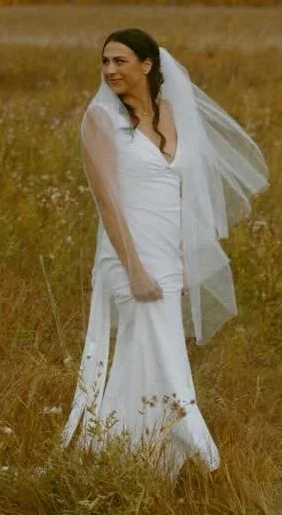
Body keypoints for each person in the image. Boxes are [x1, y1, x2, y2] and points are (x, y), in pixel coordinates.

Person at [62, 28, 266, 474]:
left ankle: (126, 459)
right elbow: (107, 201)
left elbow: (182, 188)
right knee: (166, 359)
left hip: (167, 258)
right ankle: (206, 459)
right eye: (105, 62)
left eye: (120, 61)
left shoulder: (170, 111)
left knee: (147, 355)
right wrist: (134, 268)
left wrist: (184, 255)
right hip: (128, 257)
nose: (111, 70)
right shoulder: (99, 119)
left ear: (148, 65)